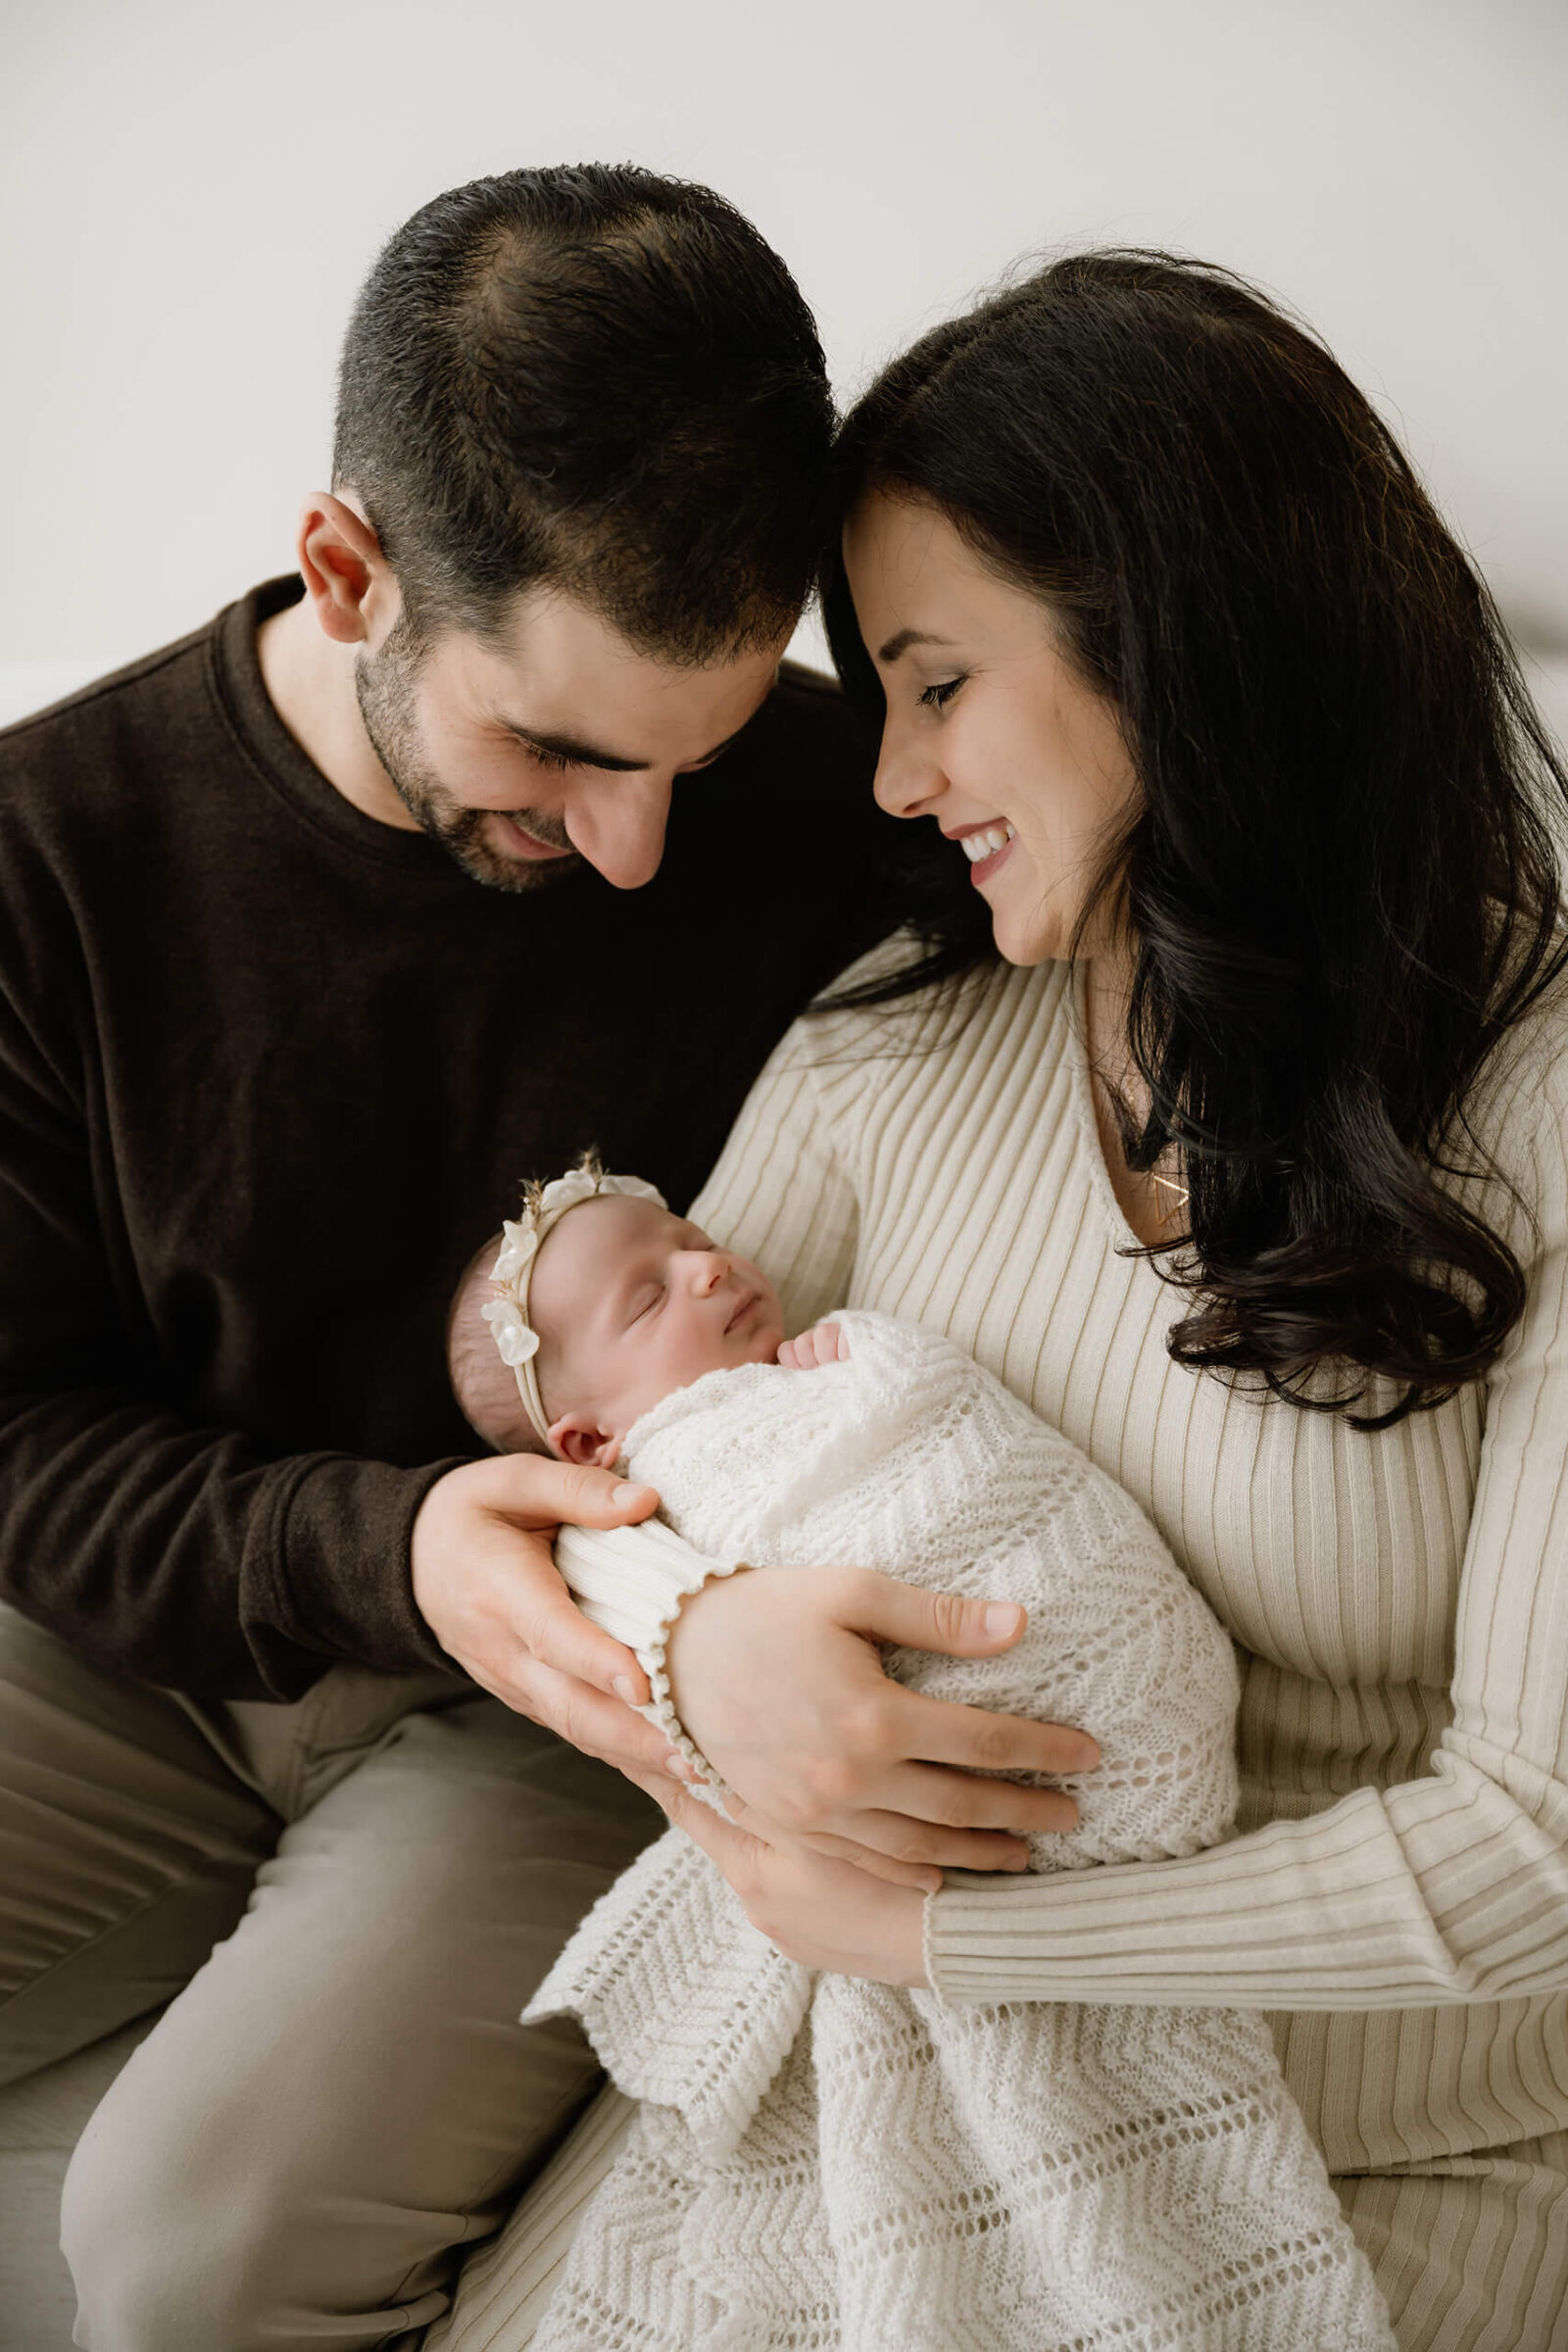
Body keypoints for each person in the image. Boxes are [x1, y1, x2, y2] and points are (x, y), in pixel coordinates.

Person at [428, 253, 1568, 2352]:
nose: (881, 778)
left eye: (934, 684)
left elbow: (1536, 1853)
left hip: (1372, 2147)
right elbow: (596, 1457)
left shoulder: (1541, 1099)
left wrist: (948, 1939)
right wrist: (704, 1640)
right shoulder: (893, 1045)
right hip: (884, 2091)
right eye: (877, 695)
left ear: (1181, 646)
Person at [0, 166, 1081, 2351]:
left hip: (580, 1696)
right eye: (560, 751)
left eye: (692, 745)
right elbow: (14, 1441)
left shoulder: (835, 805)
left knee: (188, 2262)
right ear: (347, 568)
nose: (631, 842)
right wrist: (393, 1551)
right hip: (155, 1636)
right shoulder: (48, 859)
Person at [442, 1158, 1392, 2349]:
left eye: (689, 1237)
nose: (707, 1265)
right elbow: (578, 1560)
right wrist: (677, 1615)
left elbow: (937, 1436)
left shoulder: (836, 1367)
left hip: (1109, 1759)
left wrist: (867, 1370)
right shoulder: (669, 1472)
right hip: (905, 1813)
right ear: (592, 1438)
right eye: (648, 1298)